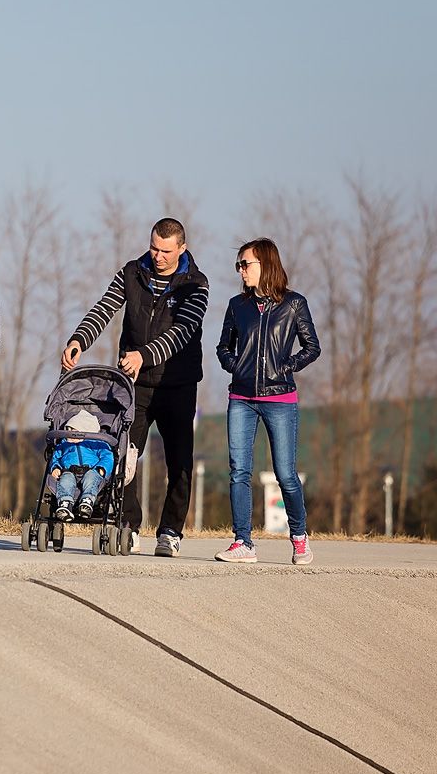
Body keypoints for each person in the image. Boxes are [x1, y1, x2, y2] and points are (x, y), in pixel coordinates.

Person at [61, 218, 209, 557]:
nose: (157, 255)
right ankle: (128, 524)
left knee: (179, 462)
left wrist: (145, 355)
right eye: (154, 247)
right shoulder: (132, 272)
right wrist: (78, 339)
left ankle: (170, 531)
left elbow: (183, 331)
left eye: (165, 251)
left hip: (177, 385)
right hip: (134, 386)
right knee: (123, 458)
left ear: (181, 249)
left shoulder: (196, 284)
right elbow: (104, 308)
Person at [214, 238, 320, 565]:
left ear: (265, 264)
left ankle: (299, 538)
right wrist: (238, 368)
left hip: (280, 398)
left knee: (285, 473)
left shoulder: (294, 304)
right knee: (238, 471)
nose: (241, 270)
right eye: (239, 265)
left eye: (246, 264)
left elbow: (311, 347)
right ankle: (242, 542)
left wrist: (284, 367)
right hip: (241, 398)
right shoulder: (237, 306)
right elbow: (223, 348)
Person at [50, 409, 116, 521]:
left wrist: (102, 468)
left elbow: (107, 457)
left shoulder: (97, 443)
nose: (68, 434)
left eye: (73, 430)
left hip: (92, 470)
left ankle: (87, 501)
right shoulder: (64, 444)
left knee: (91, 478)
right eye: (67, 430)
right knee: (65, 480)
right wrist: (55, 467)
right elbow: (56, 458)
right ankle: (65, 504)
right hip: (69, 471)